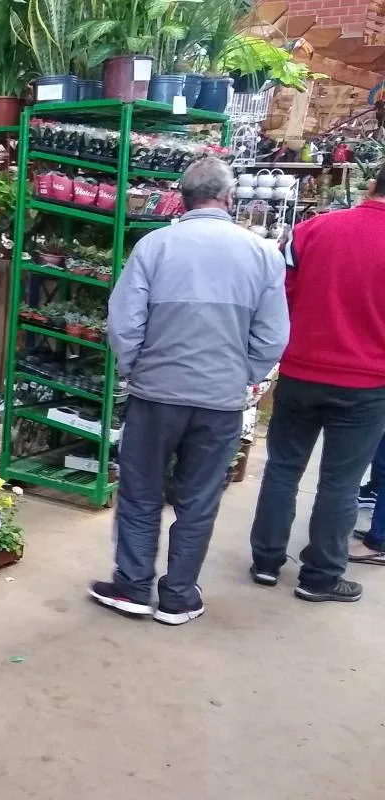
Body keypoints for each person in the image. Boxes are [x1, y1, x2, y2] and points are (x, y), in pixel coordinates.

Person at [90, 157, 289, 625]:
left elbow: (124, 323)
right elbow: (273, 335)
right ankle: (179, 595)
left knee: (140, 492)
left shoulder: (155, 247)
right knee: (199, 499)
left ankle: (133, 586)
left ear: (181, 198)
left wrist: (137, 367)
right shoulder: (263, 254)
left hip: (156, 394)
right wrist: (244, 374)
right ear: (229, 198)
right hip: (219, 401)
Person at [251, 164, 385, 600]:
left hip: (301, 372)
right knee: (340, 483)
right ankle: (321, 577)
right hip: (367, 384)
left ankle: (267, 562)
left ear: (371, 184)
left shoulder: (313, 231)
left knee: (283, 468)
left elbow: (280, 297)